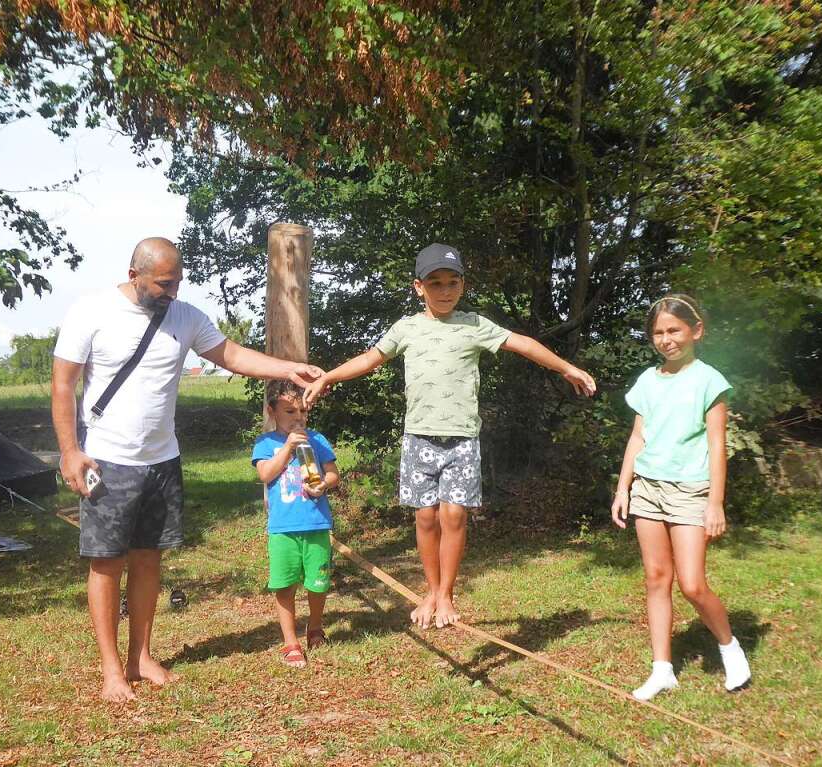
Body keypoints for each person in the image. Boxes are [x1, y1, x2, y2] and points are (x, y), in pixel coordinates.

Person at [51, 237, 323, 702]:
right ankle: (111, 669)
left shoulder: (185, 316)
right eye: (163, 283)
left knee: (148, 559)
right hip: (107, 459)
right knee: (107, 563)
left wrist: (291, 367)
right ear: (133, 273)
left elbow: (231, 355)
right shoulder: (90, 311)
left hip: (162, 460)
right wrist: (70, 451)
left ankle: (141, 655)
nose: (172, 291)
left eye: (177, 282)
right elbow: (62, 384)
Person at [303, 243, 596, 629]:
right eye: (435, 282)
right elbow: (370, 359)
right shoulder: (406, 328)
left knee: (453, 516)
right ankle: (431, 589)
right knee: (425, 519)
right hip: (419, 439)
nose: (444, 290)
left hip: (461, 439)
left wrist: (565, 368)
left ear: (463, 285)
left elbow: (522, 343)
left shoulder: (475, 326)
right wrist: (328, 376)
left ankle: (446, 595)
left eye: (452, 282)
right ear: (418, 287)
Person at [611, 294, 751, 700]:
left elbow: (716, 445)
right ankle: (662, 669)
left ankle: (729, 646)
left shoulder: (710, 381)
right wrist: (623, 488)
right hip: (648, 489)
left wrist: (715, 502)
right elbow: (637, 437)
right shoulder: (647, 381)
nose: (666, 339)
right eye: (658, 332)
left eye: (674, 330)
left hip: (691, 491)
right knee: (656, 579)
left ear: (696, 331)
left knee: (691, 584)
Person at [252, 380, 339, 667]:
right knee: (284, 584)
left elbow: (332, 474)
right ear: (272, 411)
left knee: (318, 582)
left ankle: (315, 627)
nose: (297, 418)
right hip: (283, 528)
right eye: (289, 411)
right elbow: (266, 475)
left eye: (302, 411)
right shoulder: (266, 444)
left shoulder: (318, 440)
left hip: (315, 523)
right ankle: (290, 642)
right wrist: (288, 447)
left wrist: (323, 485)